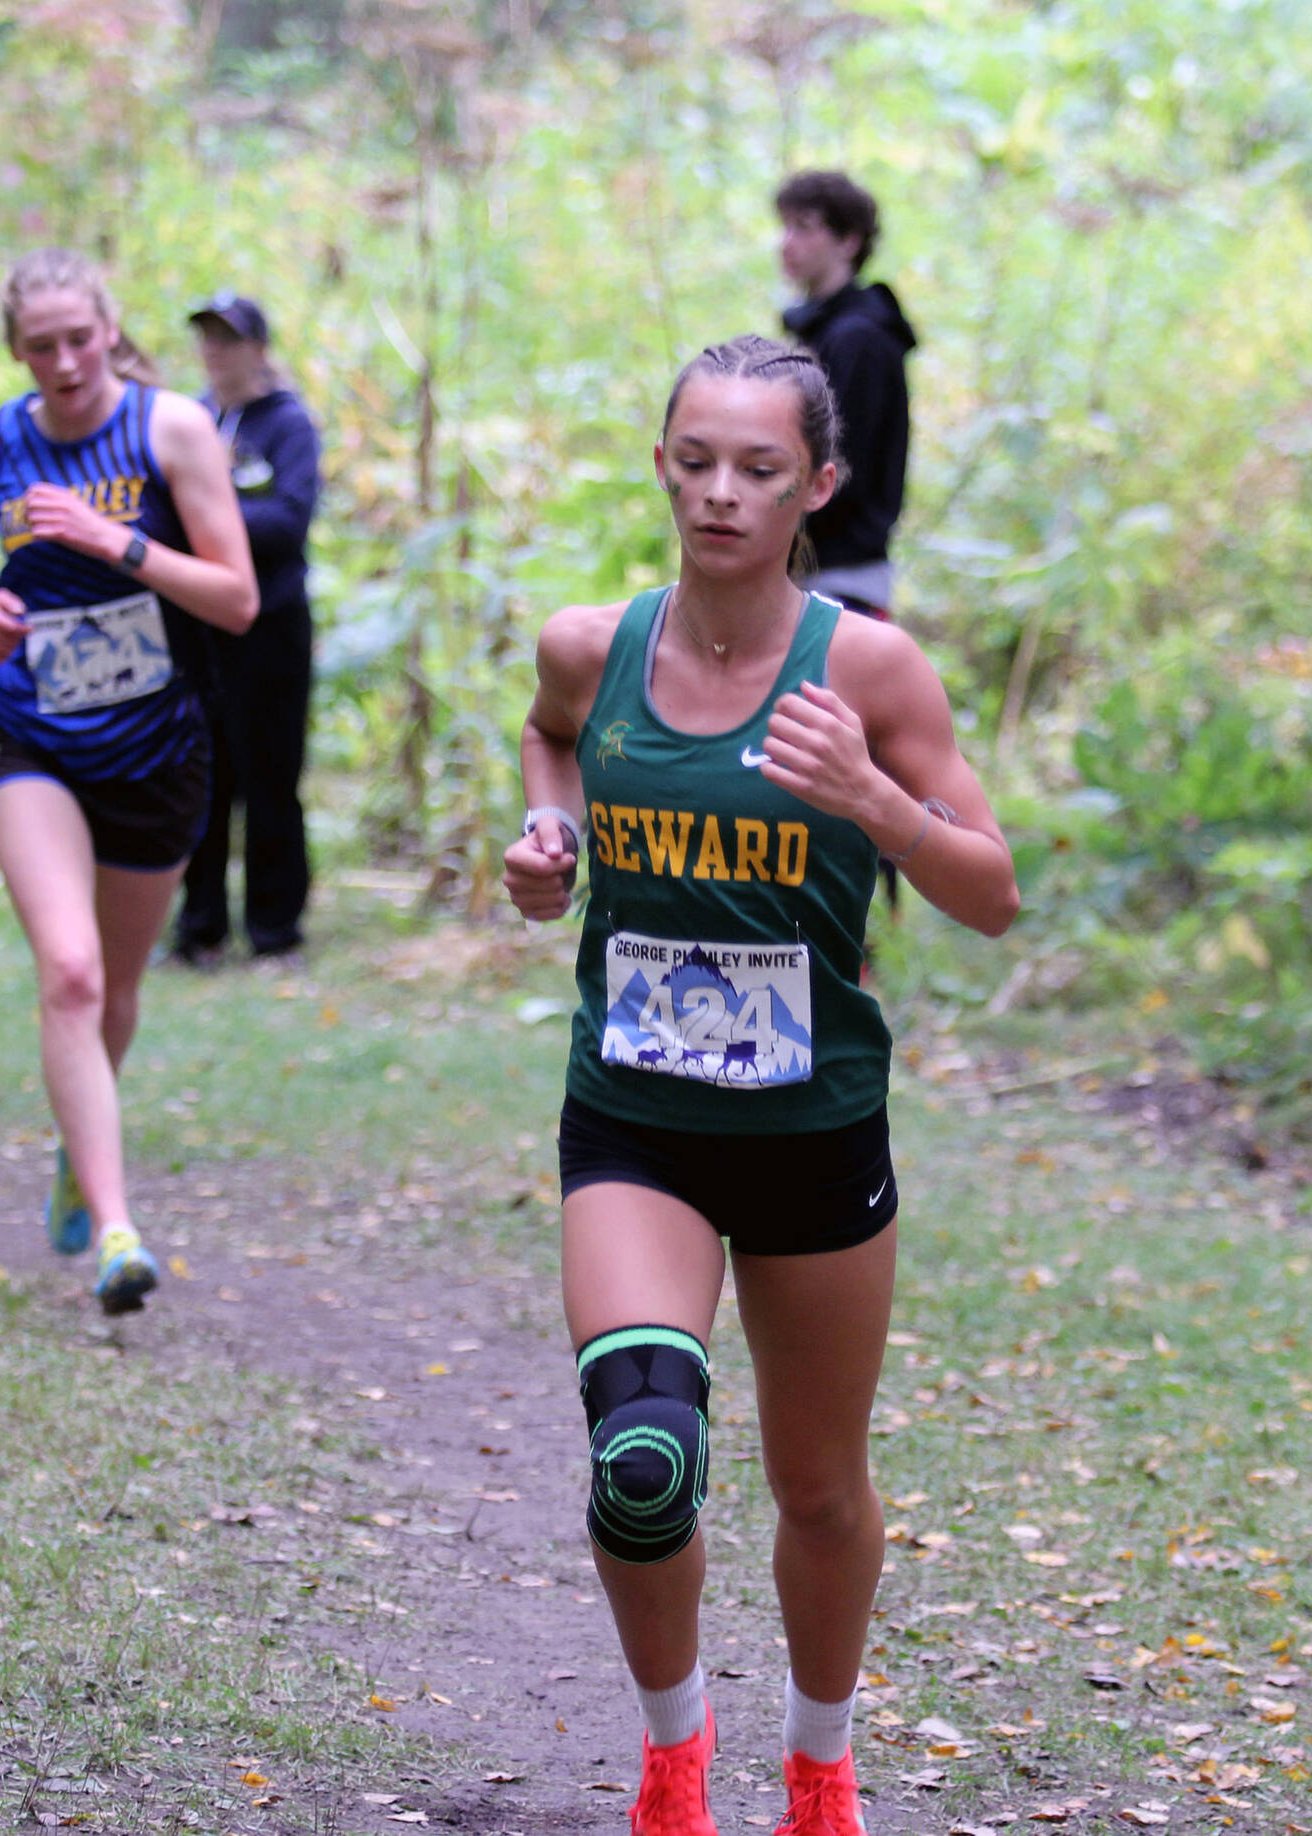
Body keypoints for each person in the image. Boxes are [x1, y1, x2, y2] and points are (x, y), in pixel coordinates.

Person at [502, 335, 1018, 1836]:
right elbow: (549, 746)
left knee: (817, 1490)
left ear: (821, 487)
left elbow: (989, 891)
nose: (722, 494)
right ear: (662, 461)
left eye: (761, 469)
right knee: (646, 1458)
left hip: (811, 1136)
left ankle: (818, 1765)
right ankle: (672, 1762)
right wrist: (553, 843)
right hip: (635, 1123)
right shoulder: (591, 647)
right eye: (696, 459)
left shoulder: (866, 666)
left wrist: (868, 796)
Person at [0, 248, 258, 1312]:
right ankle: (117, 1229)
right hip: (30, 736)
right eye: (41, 346)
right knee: (66, 971)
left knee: (114, 988)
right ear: (15, 351)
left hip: (156, 748)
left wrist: (117, 542)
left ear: (110, 328)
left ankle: (82, 1148)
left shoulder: (171, 430)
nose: (65, 362)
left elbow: (236, 598)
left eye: (81, 338)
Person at [171, 293, 323, 964]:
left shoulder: (288, 424)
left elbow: (288, 522)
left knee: (270, 778)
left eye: (229, 339)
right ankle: (199, 929)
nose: (215, 351)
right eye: (206, 338)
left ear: (259, 349)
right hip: (198, 627)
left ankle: (274, 930)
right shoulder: (190, 421)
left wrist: (204, 515)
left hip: (272, 628)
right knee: (200, 775)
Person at [775, 171, 917, 621]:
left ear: (848, 242)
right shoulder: (823, 333)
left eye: (804, 227)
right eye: (785, 226)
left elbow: (842, 464)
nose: (786, 242)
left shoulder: (860, 340)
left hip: (840, 579)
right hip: (810, 573)